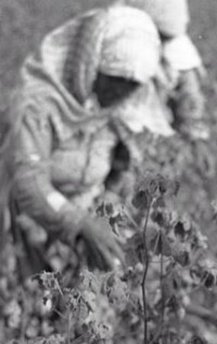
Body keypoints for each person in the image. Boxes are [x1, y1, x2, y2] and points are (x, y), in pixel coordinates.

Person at [0, 6, 162, 275]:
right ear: (92, 62)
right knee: (28, 301)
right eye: (116, 79)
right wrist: (80, 223)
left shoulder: (119, 104)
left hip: (82, 224)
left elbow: (123, 165)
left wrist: (107, 204)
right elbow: (29, 182)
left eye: (132, 84)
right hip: (22, 224)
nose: (122, 91)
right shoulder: (38, 105)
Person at [114, 0, 210, 141]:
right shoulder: (127, 41)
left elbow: (188, 87)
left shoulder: (176, 48)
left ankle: (186, 121)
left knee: (187, 86)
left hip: (160, 22)